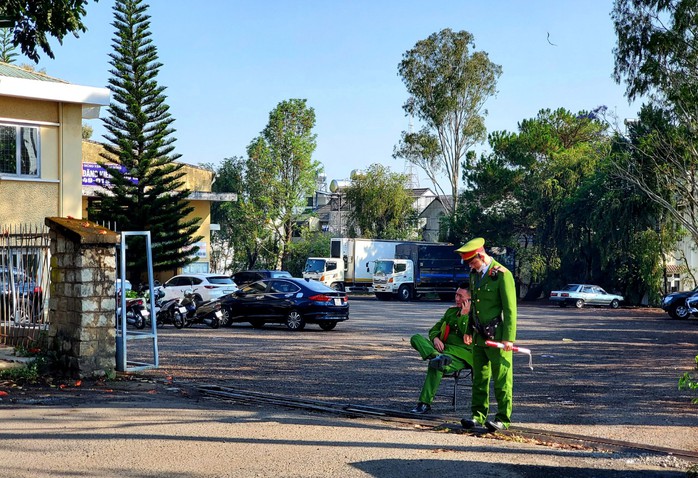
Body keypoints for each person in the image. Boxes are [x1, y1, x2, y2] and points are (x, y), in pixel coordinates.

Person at [456, 237, 517, 431]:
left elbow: (510, 309)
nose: (471, 266)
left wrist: (509, 338)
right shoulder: (474, 274)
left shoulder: (502, 275)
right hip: (479, 335)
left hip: (498, 336)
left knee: (501, 379)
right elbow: (474, 305)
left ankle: (503, 418)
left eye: (473, 262)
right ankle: (478, 415)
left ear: (482, 256)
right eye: (469, 263)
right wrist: (468, 330)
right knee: (480, 378)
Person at [409, 285, 473, 414]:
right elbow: (434, 329)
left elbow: (467, 334)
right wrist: (435, 339)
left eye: (461, 296)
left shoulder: (475, 316)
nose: (456, 298)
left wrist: (464, 316)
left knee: (436, 365)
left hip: (461, 355)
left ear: (470, 299)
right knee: (416, 338)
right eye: (456, 294)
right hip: (442, 350)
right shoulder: (450, 312)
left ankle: (424, 403)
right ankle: (435, 356)